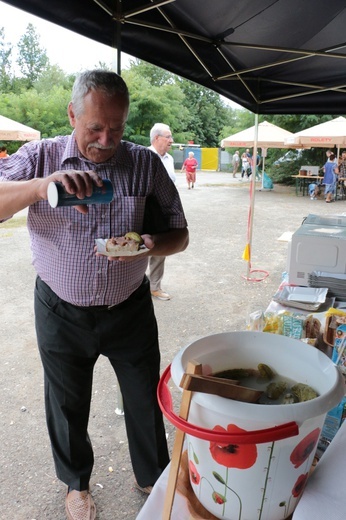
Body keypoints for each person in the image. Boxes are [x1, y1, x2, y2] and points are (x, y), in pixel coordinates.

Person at [0, 70, 189, 520]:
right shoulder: (39, 155)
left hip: (130, 308)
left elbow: (179, 233)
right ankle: (75, 485)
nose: (107, 140)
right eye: (95, 128)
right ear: (71, 115)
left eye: (117, 127)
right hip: (60, 309)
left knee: (144, 395)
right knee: (66, 404)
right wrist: (43, 187)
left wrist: (150, 244)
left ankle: (152, 475)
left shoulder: (144, 163)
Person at [147, 123, 176, 301]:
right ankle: (133, 287)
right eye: (168, 137)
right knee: (139, 248)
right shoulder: (144, 156)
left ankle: (154, 287)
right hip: (145, 212)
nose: (171, 140)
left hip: (164, 212)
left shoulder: (169, 159)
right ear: (156, 138)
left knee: (160, 250)